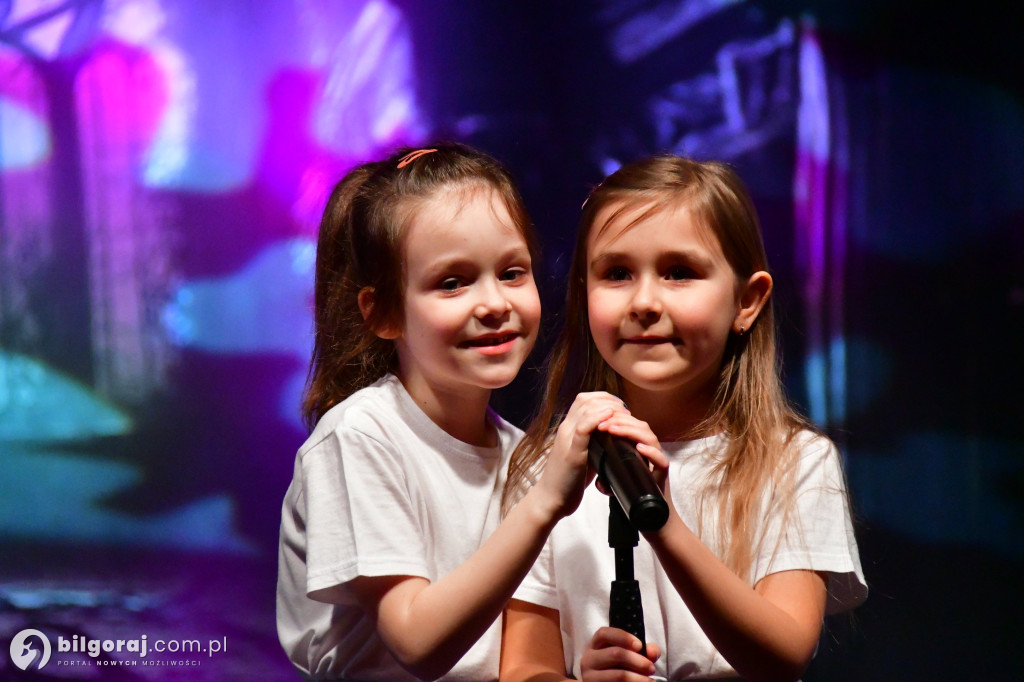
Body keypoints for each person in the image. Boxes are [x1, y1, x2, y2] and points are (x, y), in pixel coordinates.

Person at [276, 142, 647, 681]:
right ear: (382, 313)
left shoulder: (525, 458)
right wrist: (547, 501)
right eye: (452, 282)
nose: (495, 302)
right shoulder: (360, 437)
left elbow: (523, 668)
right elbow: (417, 643)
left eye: (513, 272)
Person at [500, 155, 867, 682]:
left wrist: (661, 518)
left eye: (679, 273)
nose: (645, 301)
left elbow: (781, 655)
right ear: (584, 292)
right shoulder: (545, 469)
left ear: (747, 300)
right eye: (617, 273)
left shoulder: (793, 462)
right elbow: (523, 667)